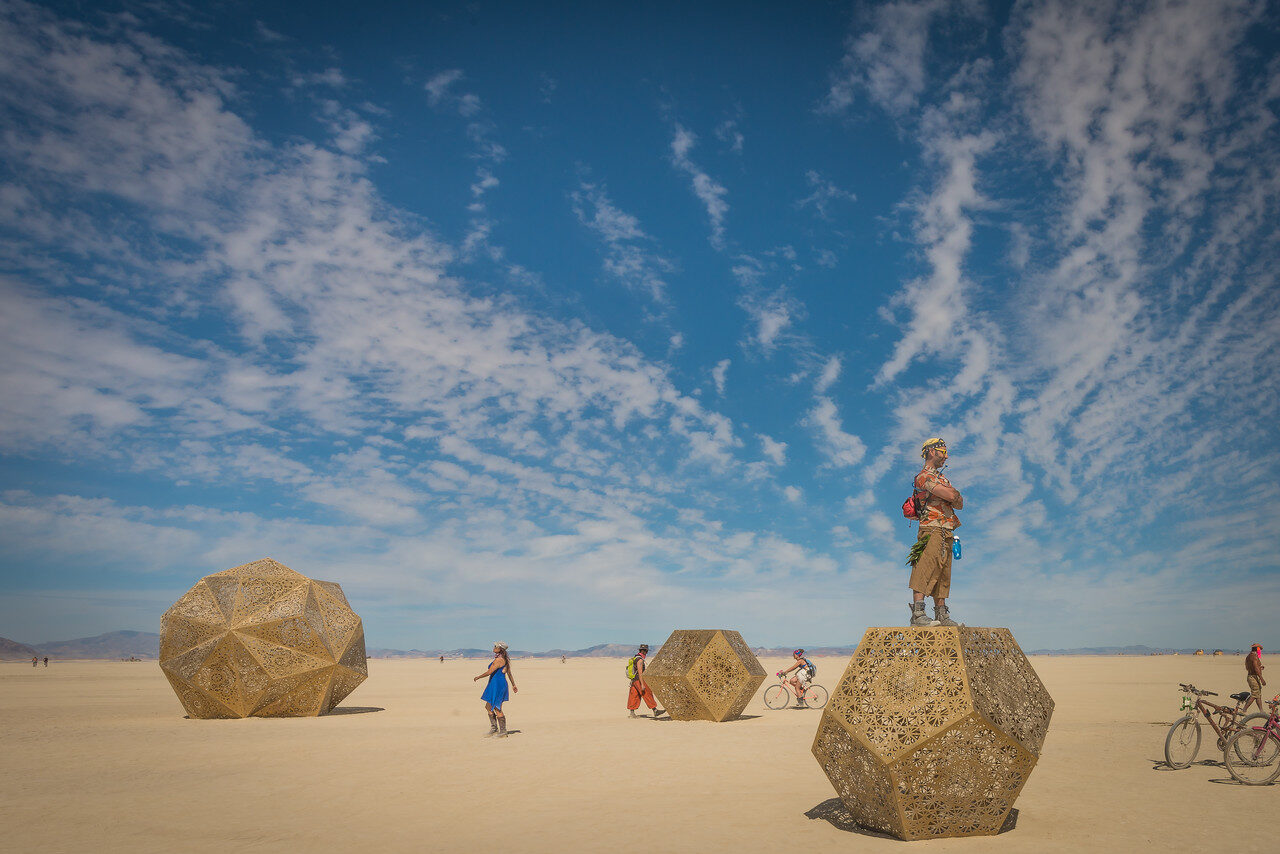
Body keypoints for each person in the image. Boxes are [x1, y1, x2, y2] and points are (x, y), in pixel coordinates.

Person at [909, 438, 963, 627]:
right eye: (942, 451)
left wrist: (951, 493)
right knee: (925, 567)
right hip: (931, 527)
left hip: (947, 528)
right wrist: (951, 493)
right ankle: (918, 614)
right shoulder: (923, 476)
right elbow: (951, 496)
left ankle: (942, 614)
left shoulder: (942, 479)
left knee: (943, 572)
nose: (946, 456)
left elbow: (960, 502)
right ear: (931, 451)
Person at [474, 642, 517, 737]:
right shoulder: (503, 659)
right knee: (488, 707)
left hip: (498, 685)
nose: (493, 647)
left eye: (495, 646)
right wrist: (513, 685)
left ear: (500, 649)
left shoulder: (499, 660)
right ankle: (494, 728)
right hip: (494, 684)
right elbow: (509, 674)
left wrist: (478, 677)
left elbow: (489, 672)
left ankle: (503, 731)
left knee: (497, 708)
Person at [627, 644, 660, 718]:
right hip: (639, 680)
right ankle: (655, 710)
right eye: (646, 651)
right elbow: (640, 672)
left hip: (634, 680)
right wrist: (642, 684)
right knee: (647, 693)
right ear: (645, 651)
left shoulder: (635, 657)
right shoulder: (640, 660)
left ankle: (632, 713)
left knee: (634, 695)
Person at [1245, 643, 1266, 714]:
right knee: (1254, 694)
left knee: (1258, 694)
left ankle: (1261, 711)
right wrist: (1262, 679)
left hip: (1251, 676)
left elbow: (1251, 667)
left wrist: (1260, 667)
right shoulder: (1254, 656)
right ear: (1257, 649)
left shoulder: (1249, 656)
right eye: (1259, 650)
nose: (1260, 651)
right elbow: (1256, 668)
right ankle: (1244, 709)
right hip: (1253, 677)